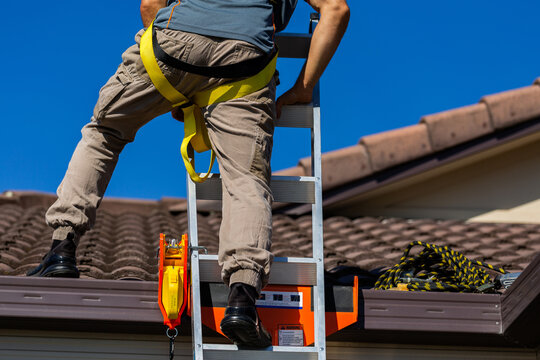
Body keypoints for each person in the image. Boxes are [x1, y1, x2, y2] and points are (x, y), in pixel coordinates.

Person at [27, 0, 349, 347]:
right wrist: (303, 86)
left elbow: (151, 4)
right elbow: (335, 9)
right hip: (245, 62)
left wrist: (180, 91)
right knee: (245, 180)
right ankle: (241, 299)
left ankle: (62, 247)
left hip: (174, 46)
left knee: (105, 133)